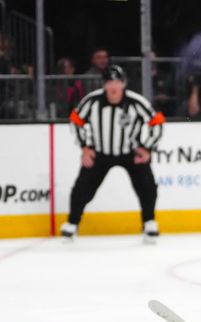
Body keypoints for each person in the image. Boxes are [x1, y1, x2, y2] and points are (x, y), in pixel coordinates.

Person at [62, 65, 165, 243]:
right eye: (109, 82)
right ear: (104, 85)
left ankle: (149, 222)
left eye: (117, 82)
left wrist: (147, 148)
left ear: (124, 84)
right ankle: (72, 223)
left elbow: (157, 122)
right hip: (100, 152)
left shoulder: (136, 102)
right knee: (82, 189)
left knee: (147, 186)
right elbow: (75, 121)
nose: (113, 86)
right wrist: (85, 148)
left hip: (131, 153)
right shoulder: (92, 101)